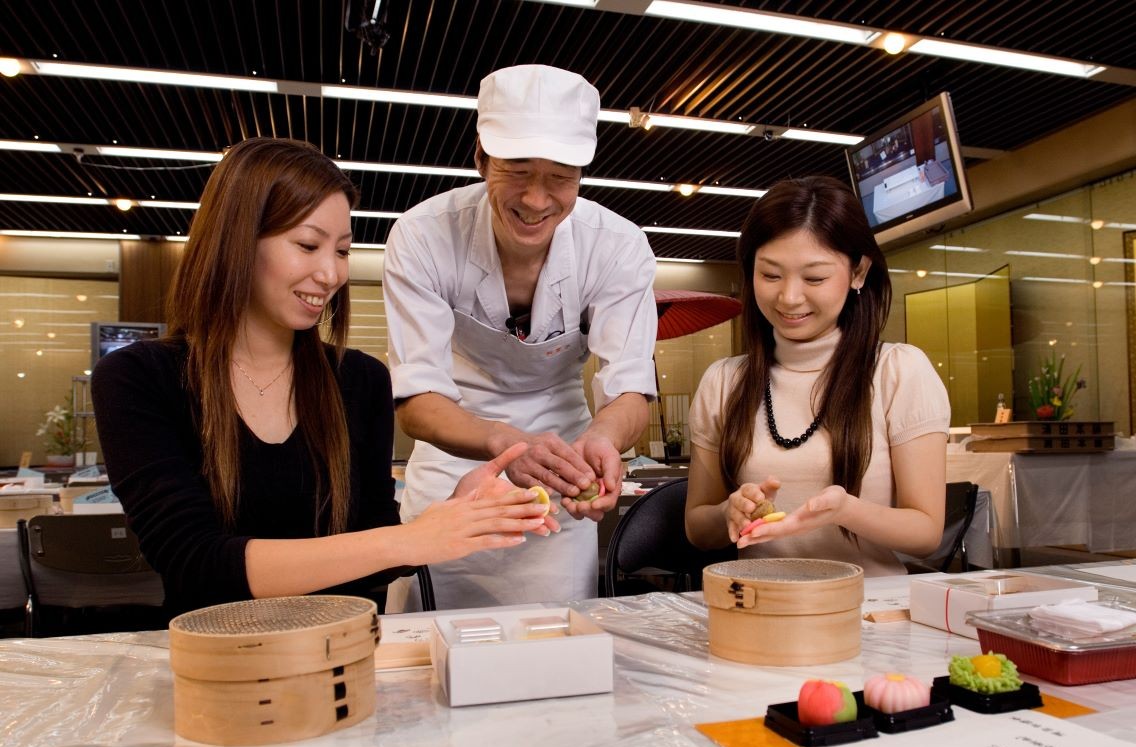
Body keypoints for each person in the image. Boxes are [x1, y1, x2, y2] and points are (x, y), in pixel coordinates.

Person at [93, 137, 554, 617]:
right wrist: (410, 540)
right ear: (237, 239)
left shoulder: (359, 381)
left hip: (347, 655)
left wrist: (449, 517)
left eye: (342, 251)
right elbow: (195, 562)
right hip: (219, 668)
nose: (330, 273)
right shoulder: (138, 378)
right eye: (308, 245)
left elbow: (371, 562)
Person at [384, 65, 658, 608]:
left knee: (554, 643)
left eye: (561, 176)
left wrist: (602, 441)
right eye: (517, 170)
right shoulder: (422, 236)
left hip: (563, 464)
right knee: (424, 643)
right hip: (452, 460)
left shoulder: (618, 246)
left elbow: (629, 388)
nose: (537, 199)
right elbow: (417, 400)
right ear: (481, 158)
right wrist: (501, 442)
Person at [684, 176, 950, 575]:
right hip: (759, 607)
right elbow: (697, 530)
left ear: (858, 272)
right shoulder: (724, 381)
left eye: (814, 278)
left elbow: (927, 532)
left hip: (871, 612)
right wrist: (729, 511)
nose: (789, 297)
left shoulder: (899, 372)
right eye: (770, 275)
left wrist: (846, 512)